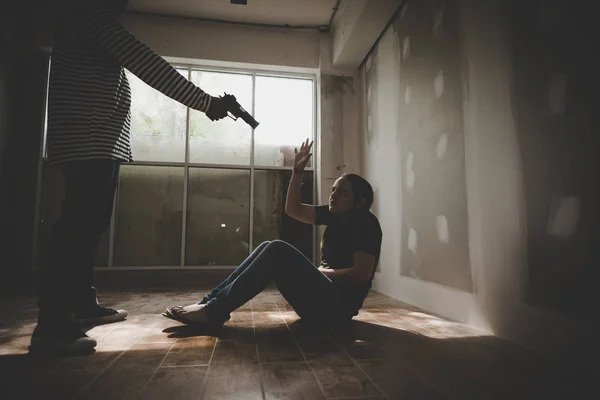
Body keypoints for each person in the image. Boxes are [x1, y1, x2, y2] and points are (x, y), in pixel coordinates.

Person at [31, 0, 229, 354]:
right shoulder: (89, 14)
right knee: (77, 229)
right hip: (88, 141)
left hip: (92, 141)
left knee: (86, 228)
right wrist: (207, 103)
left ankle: (78, 305)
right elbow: (146, 63)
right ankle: (52, 326)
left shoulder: (83, 19)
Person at [164, 139, 383, 329]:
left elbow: (360, 275)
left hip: (336, 312)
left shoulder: (366, 224)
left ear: (359, 202)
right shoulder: (333, 215)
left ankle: (213, 313)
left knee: (277, 248)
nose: (333, 195)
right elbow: (293, 210)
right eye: (333, 189)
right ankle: (209, 304)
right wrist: (297, 172)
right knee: (267, 245)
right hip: (320, 301)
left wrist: (322, 273)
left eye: (342, 192)